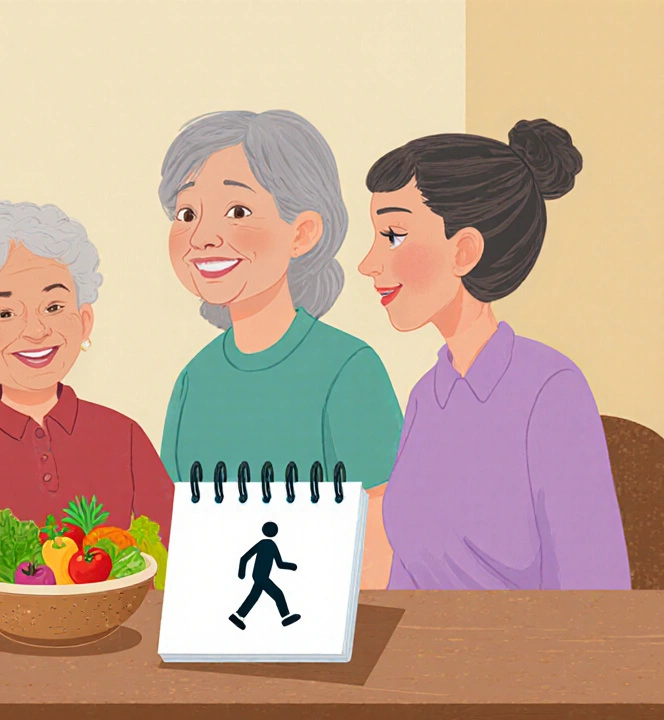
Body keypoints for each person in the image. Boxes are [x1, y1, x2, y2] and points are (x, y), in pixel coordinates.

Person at [359, 119, 631, 590]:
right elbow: (409, 578)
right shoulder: (425, 396)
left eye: (394, 235)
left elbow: (598, 599)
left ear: (464, 250)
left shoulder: (551, 391)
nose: (368, 263)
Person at [158, 110, 403, 588]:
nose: (203, 237)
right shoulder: (194, 381)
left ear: (303, 232)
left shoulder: (349, 370)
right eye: (186, 214)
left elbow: (384, 525)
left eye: (238, 212)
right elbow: (178, 532)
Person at [0, 201, 174, 587]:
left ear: (84, 322)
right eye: (4, 314)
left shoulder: (124, 436)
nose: (36, 331)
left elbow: (175, 552)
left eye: (53, 306)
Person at [231, 522, 299, 629]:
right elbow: (244, 558)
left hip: (260, 576)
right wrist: (241, 573)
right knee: (278, 594)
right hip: (261, 576)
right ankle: (285, 616)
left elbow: (279, 564)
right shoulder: (267, 544)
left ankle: (238, 616)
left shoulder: (267, 544)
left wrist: (292, 566)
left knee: (254, 597)